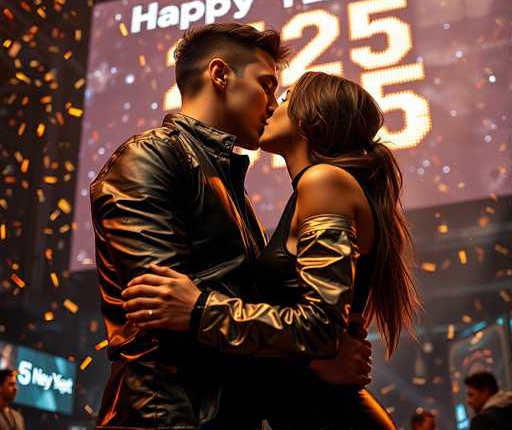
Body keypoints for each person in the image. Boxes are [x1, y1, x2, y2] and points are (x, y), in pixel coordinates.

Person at [91, 24, 373, 430]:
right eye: (267, 85)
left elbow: (206, 310)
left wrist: (312, 353)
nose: (273, 103)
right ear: (221, 75)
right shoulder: (151, 156)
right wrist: (308, 360)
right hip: (167, 416)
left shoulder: (226, 180)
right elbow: (161, 315)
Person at [124, 70, 420, 428]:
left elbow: (320, 329)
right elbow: (316, 336)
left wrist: (199, 309)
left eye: (283, 99)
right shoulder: (316, 188)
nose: (269, 108)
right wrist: (306, 360)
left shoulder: (324, 180)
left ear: (311, 116)